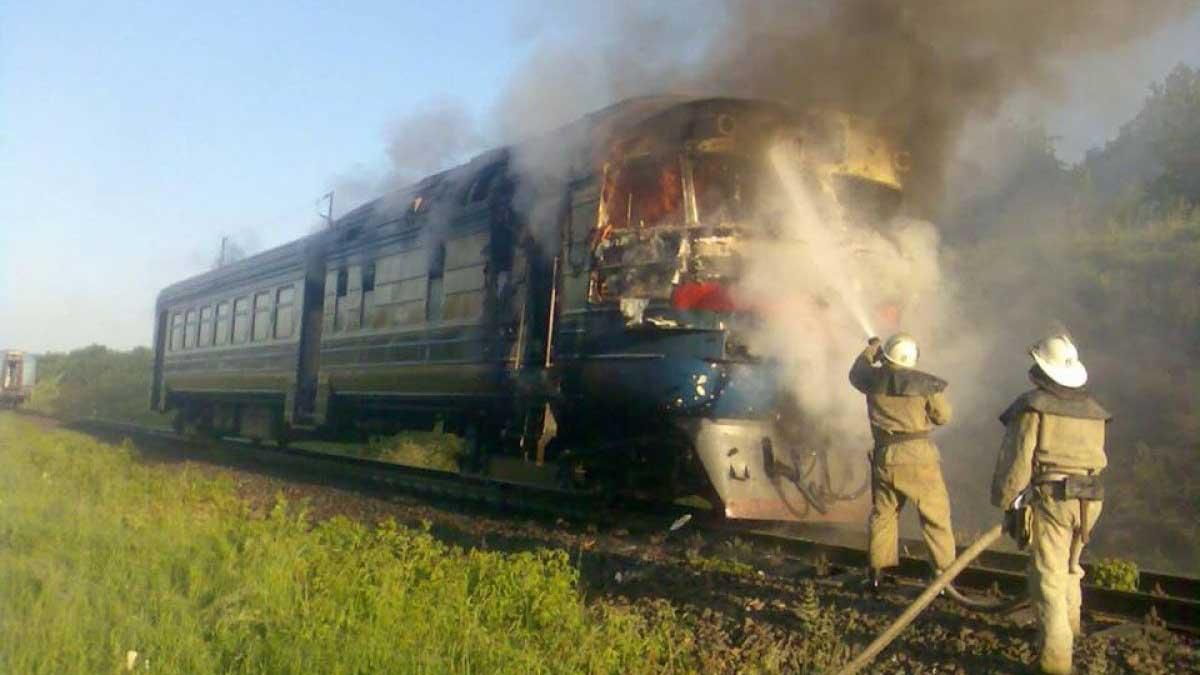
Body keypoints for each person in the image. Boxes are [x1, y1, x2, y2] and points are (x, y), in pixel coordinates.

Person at [992, 334, 1110, 674]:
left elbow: (1018, 459)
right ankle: (1071, 625)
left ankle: (1056, 660)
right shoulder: (1094, 410)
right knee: (1071, 566)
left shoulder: (1035, 407)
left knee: (1048, 576)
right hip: (1091, 498)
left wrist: (1006, 499)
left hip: (1055, 497)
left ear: (1043, 370)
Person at [849, 333, 956, 590]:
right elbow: (943, 416)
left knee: (884, 514)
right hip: (919, 457)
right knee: (935, 516)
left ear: (887, 356)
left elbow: (856, 372)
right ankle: (944, 579)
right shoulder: (924, 385)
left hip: (885, 457)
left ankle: (877, 575)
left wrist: (872, 350)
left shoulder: (871, 380)